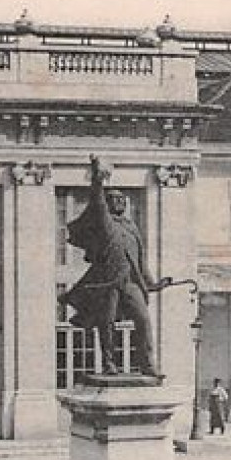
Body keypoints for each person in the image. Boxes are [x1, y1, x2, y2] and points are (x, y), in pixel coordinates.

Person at [59, 155, 171, 377]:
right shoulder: (105, 224)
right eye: (114, 199)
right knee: (106, 324)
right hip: (108, 282)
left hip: (130, 283)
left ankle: (148, 365)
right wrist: (97, 180)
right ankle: (109, 363)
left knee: (143, 320)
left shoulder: (132, 230)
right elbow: (97, 201)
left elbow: (140, 263)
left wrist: (155, 285)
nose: (120, 202)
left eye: (122, 199)